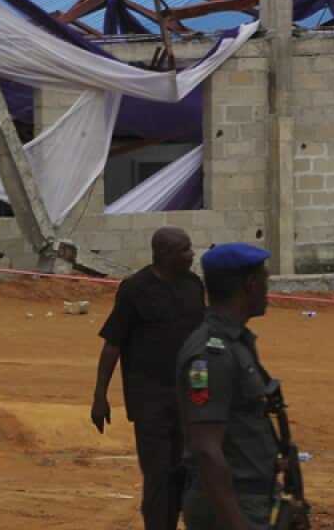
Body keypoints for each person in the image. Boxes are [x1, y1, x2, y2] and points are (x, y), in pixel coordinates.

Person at [91, 226, 205, 530]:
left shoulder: (194, 286)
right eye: (185, 249)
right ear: (164, 254)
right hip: (150, 400)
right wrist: (100, 395)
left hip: (190, 400)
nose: (192, 254)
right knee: (158, 475)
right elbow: (113, 343)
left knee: (186, 471)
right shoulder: (135, 290)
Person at [177, 242, 280, 530]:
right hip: (231, 506)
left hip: (248, 498)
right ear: (249, 284)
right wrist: (237, 523)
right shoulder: (212, 354)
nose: (267, 290)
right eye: (264, 280)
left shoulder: (236, 342)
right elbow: (206, 448)